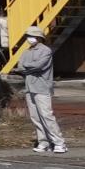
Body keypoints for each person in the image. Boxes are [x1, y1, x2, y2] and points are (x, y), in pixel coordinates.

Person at [15, 26, 67, 154]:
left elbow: (39, 66)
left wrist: (26, 67)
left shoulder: (45, 50)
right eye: (28, 36)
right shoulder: (26, 52)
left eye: (31, 36)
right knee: (35, 117)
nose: (29, 38)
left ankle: (59, 143)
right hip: (29, 87)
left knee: (46, 115)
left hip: (42, 87)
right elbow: (19, 66)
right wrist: (27, 68)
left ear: (39, 37)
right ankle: (43, 142)